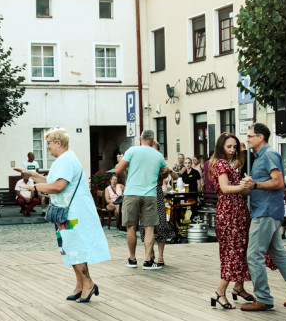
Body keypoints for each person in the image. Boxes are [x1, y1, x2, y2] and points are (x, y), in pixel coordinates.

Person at [15, 128, 109, 302]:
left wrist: (34, 188)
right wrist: (33, 175)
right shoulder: (65, 159)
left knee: (75, 246)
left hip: (72, 213)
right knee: (68, 246)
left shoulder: (65, 160)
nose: (48, 147)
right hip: (66, 213)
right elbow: (52, 182)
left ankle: (87, 284)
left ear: (58, 143)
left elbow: (58, 186)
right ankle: (81, 284)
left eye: (49, 143)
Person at [240, 123, 286, 311]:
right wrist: (249, 187)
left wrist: (254, 185)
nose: (247, 139)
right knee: (280, 255)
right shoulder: (259, 157)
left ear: (260, 137)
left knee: (254, 255)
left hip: (265, 212)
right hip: (268, 211)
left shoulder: (269, 154)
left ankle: (263, 298)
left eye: (250, 136)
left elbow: (278, 182)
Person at [208, 133, 255, 309]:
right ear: (221, 147)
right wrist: (242, 186)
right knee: (233, 252)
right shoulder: (220, 163)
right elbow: (225, 189)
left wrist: (247, 187)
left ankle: (238, 287)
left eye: (235, 147)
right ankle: (219, 292)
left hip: (237, 211)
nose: (233, 150)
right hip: (229, 213)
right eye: (229, 147)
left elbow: (239, 191)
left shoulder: (230, 164)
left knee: (241, 249)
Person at [116, 130, 167, 269]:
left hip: (132, 193)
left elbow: (118, 171)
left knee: (131, 227)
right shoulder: (158, 155)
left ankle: (132, 259)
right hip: (150, 195)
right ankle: (148, 261)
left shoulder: (132, 151)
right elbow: (165, 172)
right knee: (149, 228)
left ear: (140, 138)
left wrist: (120, 162)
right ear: (153, 139)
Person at [138, 141, 178, 267]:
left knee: (161, 225)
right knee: (146, 227)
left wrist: (169, 170)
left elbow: (176, 177)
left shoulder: (161, 163)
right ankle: (150, 254)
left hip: (157, 195)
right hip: (144, 195)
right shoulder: (143, 163)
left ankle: (160, 256)